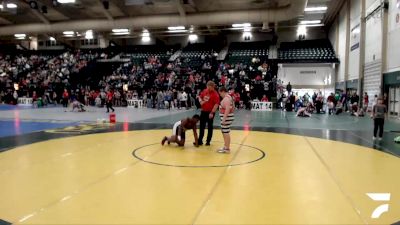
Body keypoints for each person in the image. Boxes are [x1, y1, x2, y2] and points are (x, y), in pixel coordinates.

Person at [197, 81, 220, 146]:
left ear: (213, 87)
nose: (208, 89)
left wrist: (212, 112)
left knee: (210, 127)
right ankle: (200, 140)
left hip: (210, 112)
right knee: (201, 126)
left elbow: (216, 104)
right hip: (203, 111)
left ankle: (208, 141)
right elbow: (200, 97)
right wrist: (201, 101)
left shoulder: (215, 94)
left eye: (210, 88)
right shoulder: (205, 91)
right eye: (207, 87)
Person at [218, 87, 235, 154]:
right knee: (224, 131)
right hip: (228, 117)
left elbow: (227, 109)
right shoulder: (229, 97)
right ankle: (225, 146)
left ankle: (227, 148)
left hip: (226, 118)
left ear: (223, 91)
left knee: (225, 132)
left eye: (220, 93)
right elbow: (233, 107)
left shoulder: (226, 98)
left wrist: (224, 119)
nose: (220, 95)